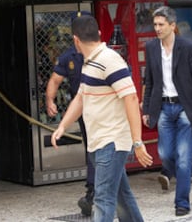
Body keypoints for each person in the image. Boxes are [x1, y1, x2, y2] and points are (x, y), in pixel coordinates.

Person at [51, 15, 153, 222]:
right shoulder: (90, 62)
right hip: (99, 142)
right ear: (97, 34)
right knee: (121, 197)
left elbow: (131, 98)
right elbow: (81, 97)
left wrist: (138, 142)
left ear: (75, 40)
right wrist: (63, 126)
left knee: (103, 199)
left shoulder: (109, 60)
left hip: (112, 142)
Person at [142, 6, 192, 217]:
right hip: (163, 107)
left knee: (183, 158)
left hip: (185, 107)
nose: (156, 28)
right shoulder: (151, 48)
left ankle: (181, 202)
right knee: (165, 154)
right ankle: (186, 171)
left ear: (172, 26)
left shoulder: (189, 47)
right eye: (155, 24)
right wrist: (147, 108)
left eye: (161, 25)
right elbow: (150, 81)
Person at [46, 11, 95, 217]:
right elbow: (55, 80)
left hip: (103, 110)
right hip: (82, 111)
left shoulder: (104, 53)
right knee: (92, 149)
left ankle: (95, 192)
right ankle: (94, 192)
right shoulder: (69, 56)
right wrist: (49, 100)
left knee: (100, 150)